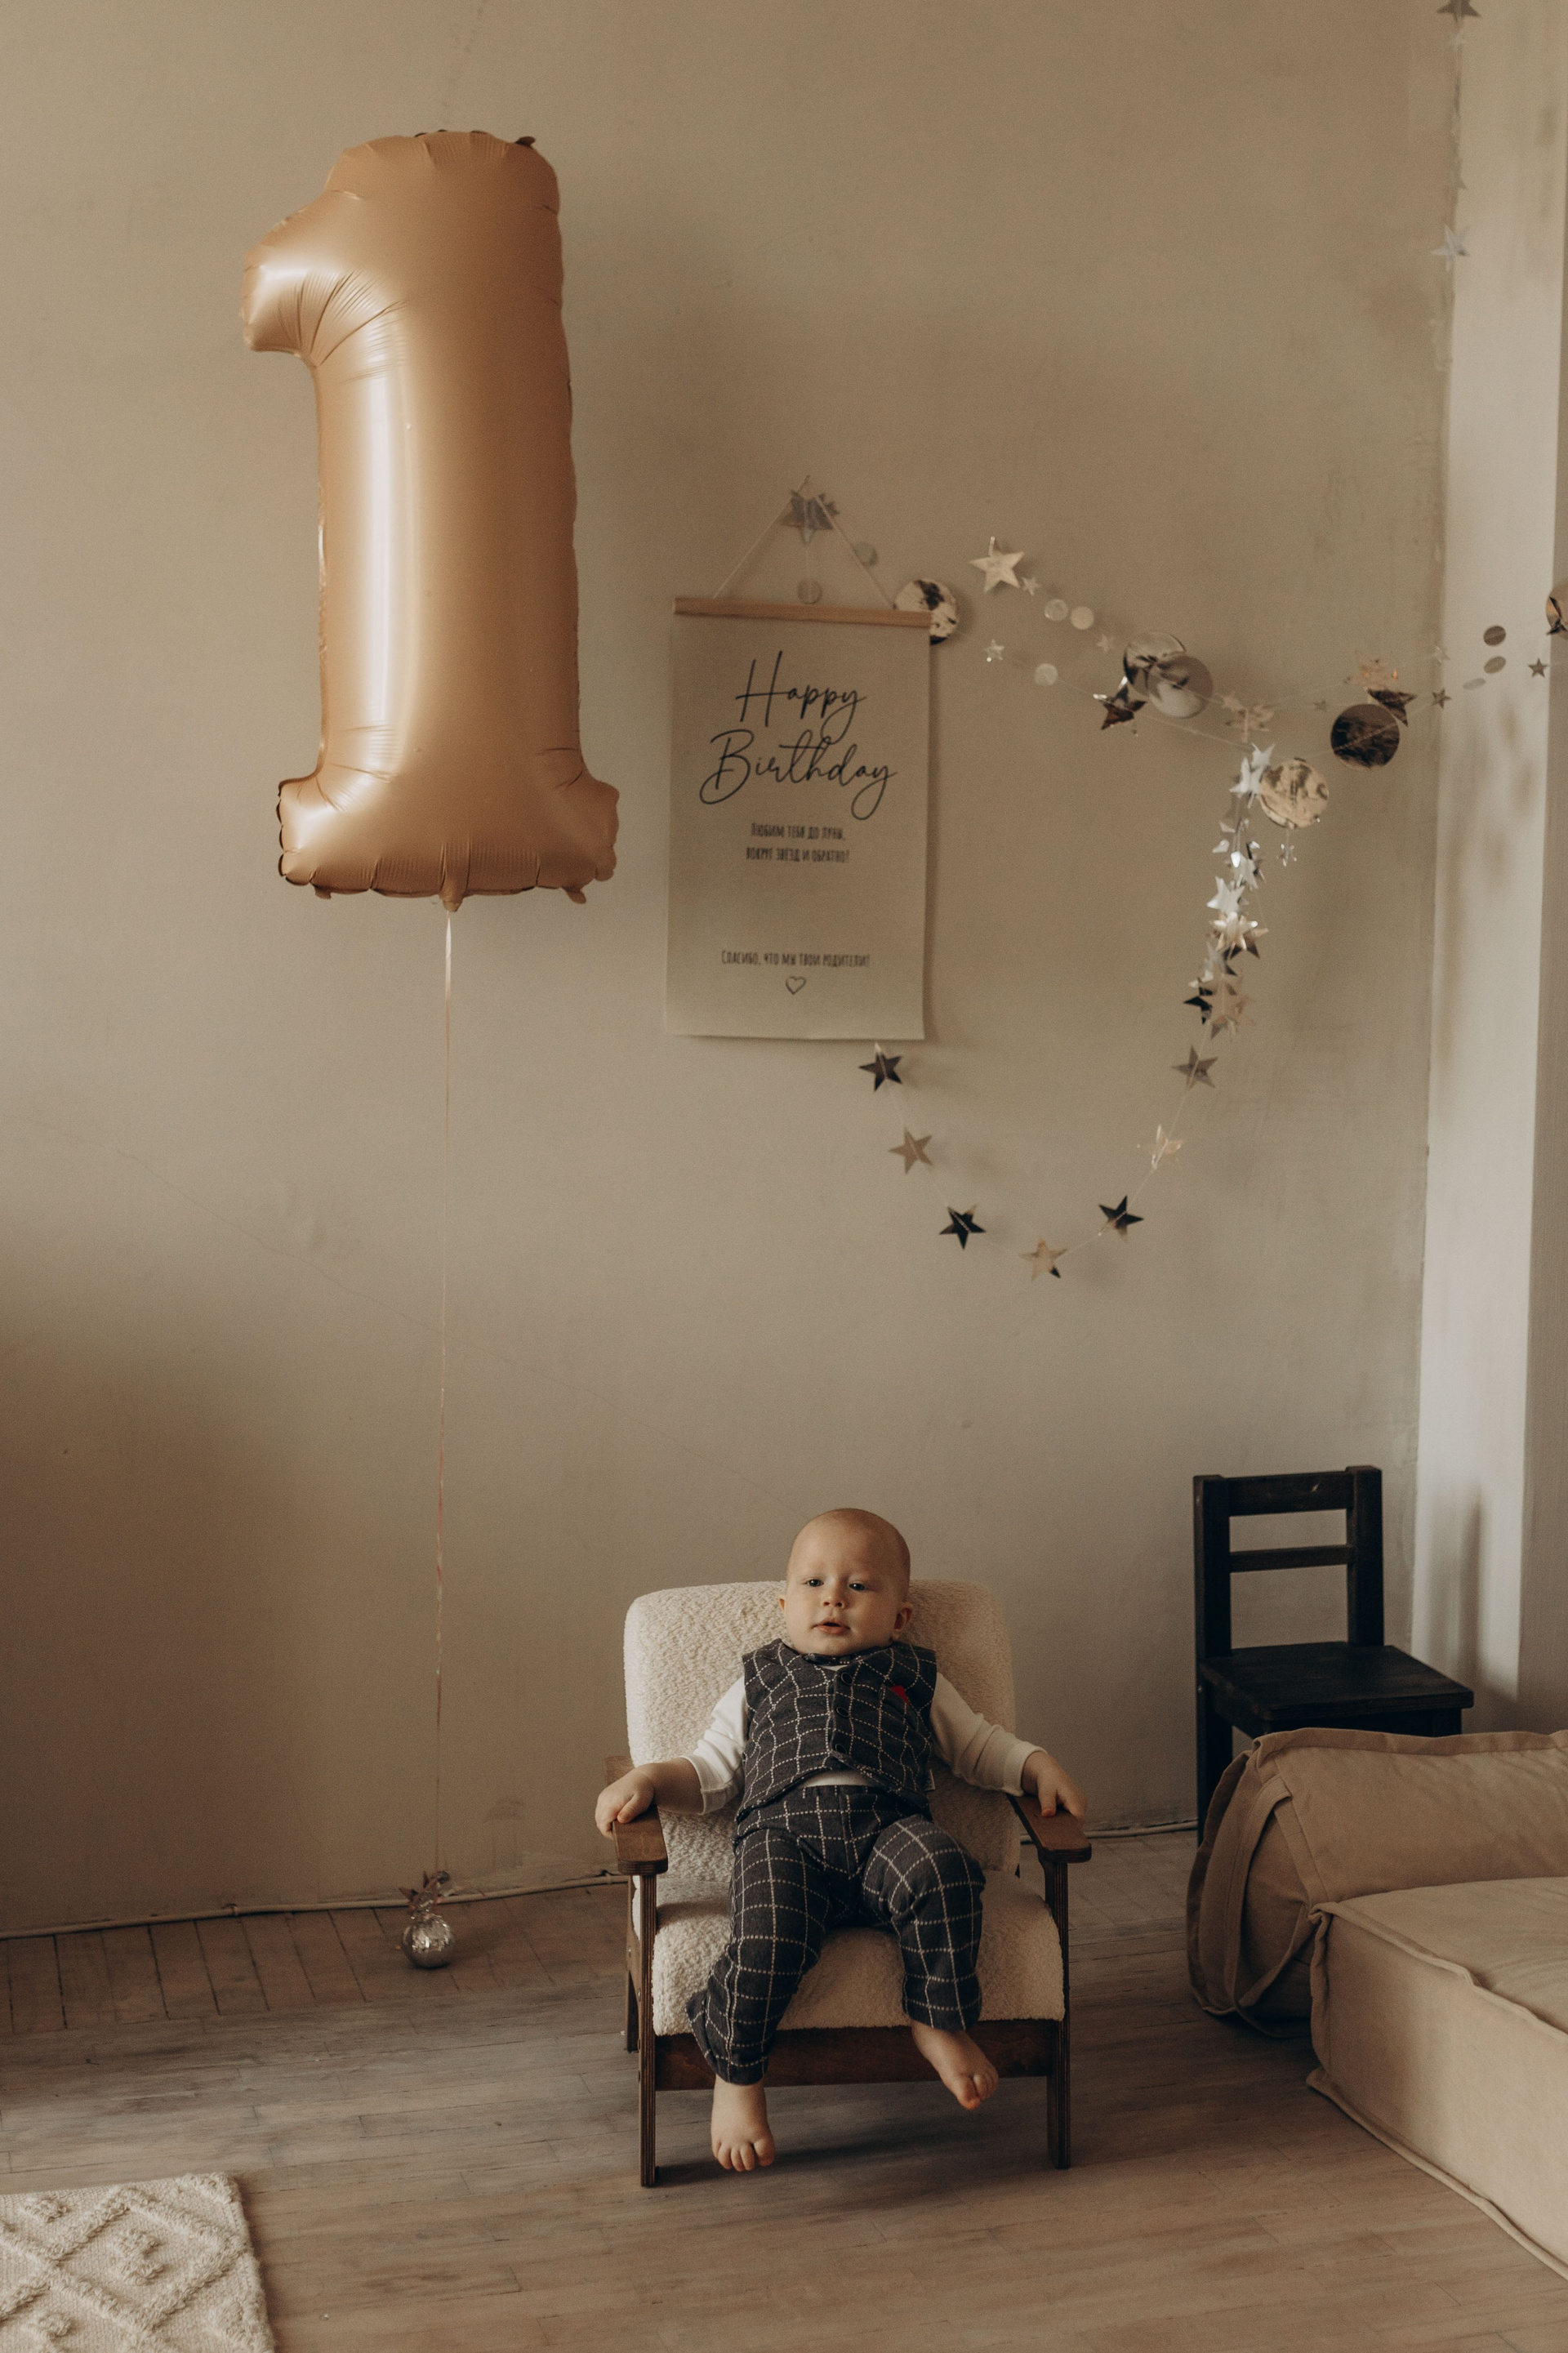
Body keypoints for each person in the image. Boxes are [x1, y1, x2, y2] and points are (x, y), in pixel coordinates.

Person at [595, 1507, 1086, 2173]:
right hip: (783, 1838)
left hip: (888, 1830)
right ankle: (737, 2073)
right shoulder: (761, 1678)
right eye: (814, 1583)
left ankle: (937, 2018)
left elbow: (978, 1747)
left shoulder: (914, 1676)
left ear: (900, 1616)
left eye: (858, 1585)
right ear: (785, 1606)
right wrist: (651, 1778)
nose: (833, 1597)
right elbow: (709, 1772)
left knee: (944, 1869)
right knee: (768, 1932)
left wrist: (1035, 1764)